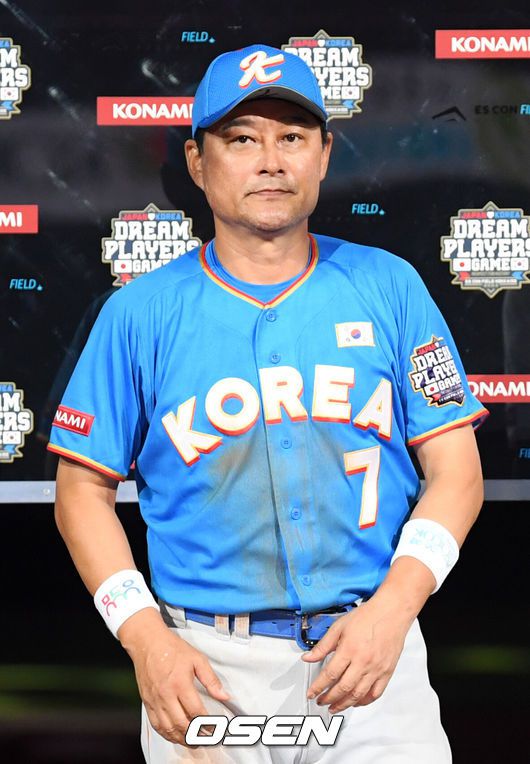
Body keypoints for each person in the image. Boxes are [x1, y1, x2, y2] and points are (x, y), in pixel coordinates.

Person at [49, 44, 488, 763]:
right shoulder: (139, 313)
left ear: (324, 154)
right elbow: (81, 492)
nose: (271, 161)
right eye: (242, 139)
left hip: (372, 651)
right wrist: (145, 638)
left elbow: (458, 473)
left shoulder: (389, 286)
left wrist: (394, 610)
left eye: (292, 137)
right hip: (205, 666)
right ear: (198, 162)